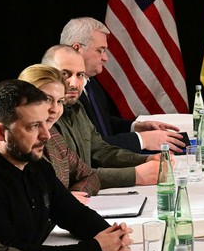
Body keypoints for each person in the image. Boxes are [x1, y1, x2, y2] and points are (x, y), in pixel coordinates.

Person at [0, 79, 132, 251]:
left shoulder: (37, 165)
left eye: (45, 122)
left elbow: (73, 214)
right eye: (34, 126)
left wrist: (113, 236)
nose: (46, 135)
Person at [59, 17, 186, 153]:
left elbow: (102, 126)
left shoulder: (91, 84)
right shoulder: (62, 91)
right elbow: (89, 147)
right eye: (100, 50)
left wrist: (136, 127)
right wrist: (142, 140)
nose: (105, 58)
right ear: (77, 48)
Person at [41, 45, 160, 188]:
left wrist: (146, 159)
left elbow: (99, 151)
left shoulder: (78, 107)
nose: (74, 83)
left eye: (80, 75)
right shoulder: (43, 120)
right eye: (65, 74)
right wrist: (135, 175)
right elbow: (70, 179)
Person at [18, 64, 101, 203]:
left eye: (60, 101)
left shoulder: (55, 138)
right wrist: (63, 200)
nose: (55, 110)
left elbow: (90, 176)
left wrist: (75, 195)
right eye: (47, 99)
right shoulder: (13, 144)